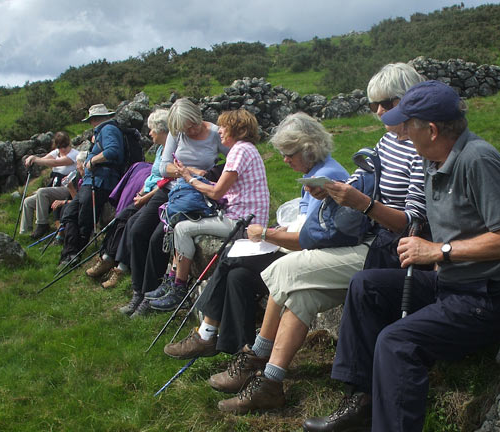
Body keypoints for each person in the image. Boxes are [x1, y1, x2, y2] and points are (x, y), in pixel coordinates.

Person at [214, 63, 428, 415]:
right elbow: (364, 173)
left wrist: (362, 203)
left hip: (387, 250)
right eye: (374, 104)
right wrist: (336, 192)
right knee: (302, 294)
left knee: (285, 270)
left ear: (408, 100)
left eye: (384, 104)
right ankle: (270, 382)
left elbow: (412, 223)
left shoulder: (419, 148)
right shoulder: (391, 139)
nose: (376, 111)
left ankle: (255, 357)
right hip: (372, 242)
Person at [303, 81, 500, 432]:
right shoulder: (433, 160)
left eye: (407, 126)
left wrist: (439, 250)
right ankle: (361, 400)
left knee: (397, 342)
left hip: (483, 296)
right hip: (449, 283)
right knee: (366, 286)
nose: (402, 134)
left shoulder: (478, 160)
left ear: (432, 129)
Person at [162, 112, 349, 359]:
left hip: (311, 257)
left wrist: (267, 234)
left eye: (288, 154)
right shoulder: (318, 171)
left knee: (232, 258)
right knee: (238, 277)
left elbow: (309, 239)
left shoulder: (327, 177)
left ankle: (207, 334)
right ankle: (241, 352)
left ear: (308, 149)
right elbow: (307, 225)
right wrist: (282, 230)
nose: (283, 160)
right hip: (300, 249)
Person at [147, 109, 271, 312]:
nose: (219, 131)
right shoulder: (246, 149)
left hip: (243, 221)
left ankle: (179, 289)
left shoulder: (239, 151)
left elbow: (216, 191)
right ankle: (172, 282)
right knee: (185, 219)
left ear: (237, 130)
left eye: (224, 127)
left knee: (182, 228)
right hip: (245, 216)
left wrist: (189, 178)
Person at [119, 98, 228, 316]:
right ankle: (138, 291)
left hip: (194, 195)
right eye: (185, 129)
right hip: (170, 189)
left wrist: (205, 175)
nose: (191, 131)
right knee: (138, 230)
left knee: (158, 239)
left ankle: (150, 296)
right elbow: (162, 167)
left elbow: (234, 159)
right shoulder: (176, 132)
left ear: (197, 117)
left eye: (193, 126)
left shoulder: (215, 133)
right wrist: (185, 172)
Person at [86, 109, 169, 290]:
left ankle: (122, 267)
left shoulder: (171, 152)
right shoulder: (161, 149)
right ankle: (108, 257)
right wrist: (141, 191)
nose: (149, 133)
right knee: (121, 217)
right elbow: (153, 176)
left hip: (156, 197)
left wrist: (145, 197)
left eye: (152, 129)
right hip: (146, 194)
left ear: (161, 129)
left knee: (132, 223)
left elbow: (165, 182)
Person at [58, 104, 125, 266]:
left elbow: (113, 150)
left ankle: (74, 253)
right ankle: (70, 252)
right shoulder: (106, 130)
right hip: (93, 181)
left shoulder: (108, 129)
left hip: (100, 181)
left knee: (83, 216)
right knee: (70, 213)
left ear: (94, 120)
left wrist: (92, 160)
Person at [19, 131, 79, 239]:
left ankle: (42, 224)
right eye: (60, 146)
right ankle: (25, 232)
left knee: (42, 192)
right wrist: (33, 158)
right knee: (28, 202)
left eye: (65, 146)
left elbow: (56, 163)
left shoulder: (74, 155)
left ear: (69, 143)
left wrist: (36, 159)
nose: (63, 149)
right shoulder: (56, 153)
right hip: (54, 187)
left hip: (67, 188)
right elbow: (44, 160)